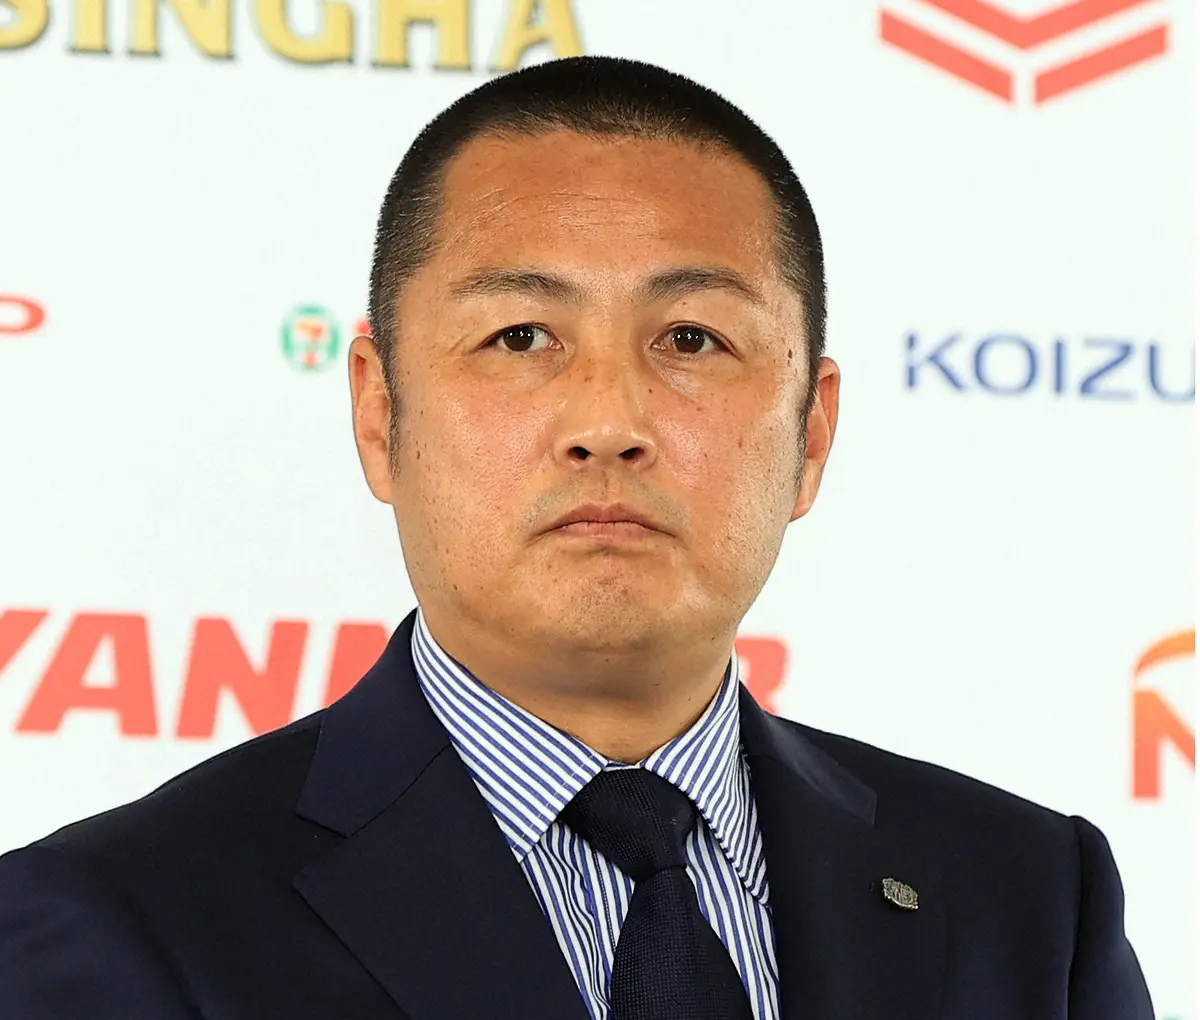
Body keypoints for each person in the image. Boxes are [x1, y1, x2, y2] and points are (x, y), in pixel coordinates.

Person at [0, 56, 1152, 1020]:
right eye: (520, 337)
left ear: (811, 432)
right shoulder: (120, 922)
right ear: (379, 413)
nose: (609, 422)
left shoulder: (1030, 907)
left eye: (692, 339)